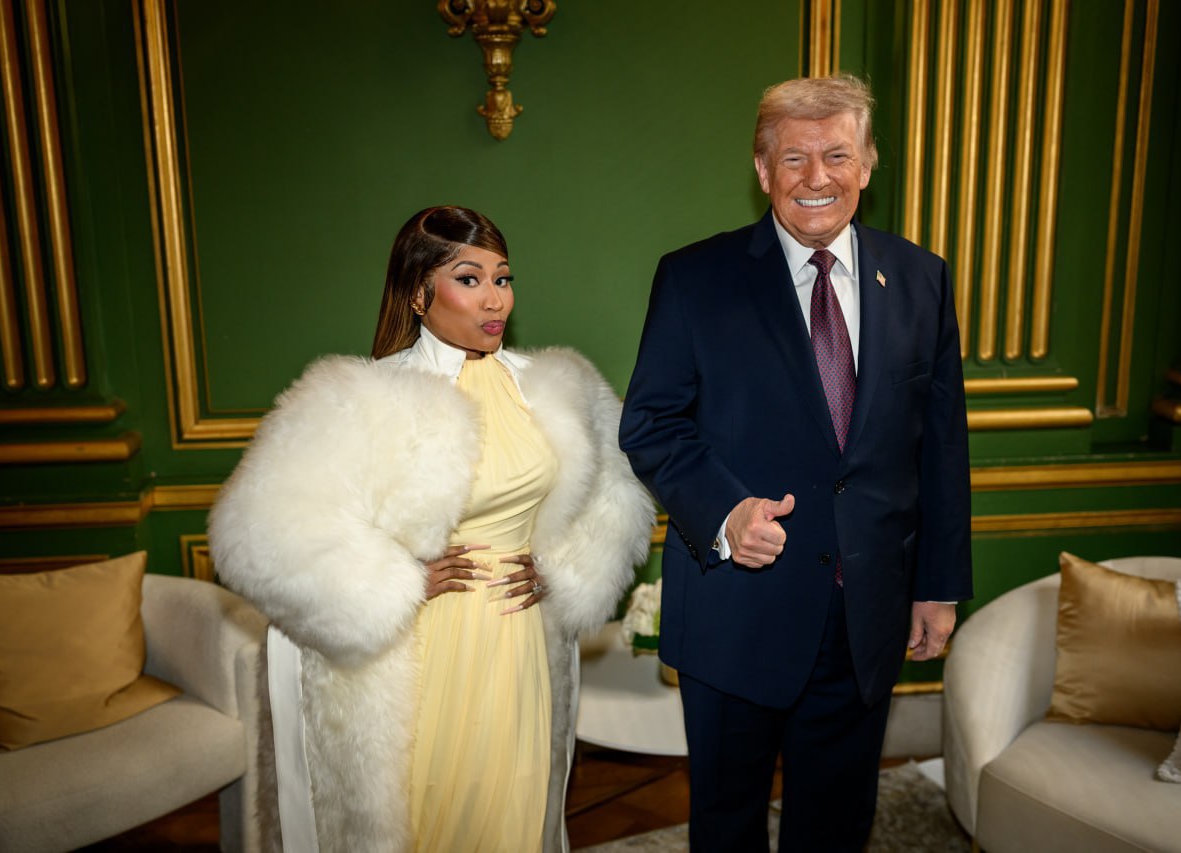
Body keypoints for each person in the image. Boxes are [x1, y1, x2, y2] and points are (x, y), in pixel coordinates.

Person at [209, 206, 654, 852]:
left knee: (516, 814)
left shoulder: (555, 388)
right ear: (419, 294)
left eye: (503, 278)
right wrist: (395, 582)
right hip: (422, 652)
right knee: (428, 816)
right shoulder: (362, 396)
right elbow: (256, 532)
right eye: (469, 279)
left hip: (521, 647)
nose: (495, 298)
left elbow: (614, 494)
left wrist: (566, 569)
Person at [618, 74, 972, 851]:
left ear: (867, 164)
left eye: (837, 155)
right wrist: (725, 510)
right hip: (736, 613)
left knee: (836, 830)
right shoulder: (695, 278)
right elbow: (650, 423)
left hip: (865, 615)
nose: (817, 177)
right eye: (793, 158)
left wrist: (937, 585)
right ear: (761, 169)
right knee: (727, 827)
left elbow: (941, 443)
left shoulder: (922, 277)